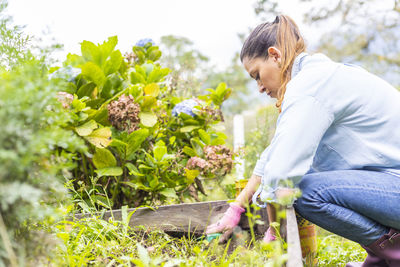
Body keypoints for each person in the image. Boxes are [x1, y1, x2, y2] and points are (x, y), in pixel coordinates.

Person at [205, 14, 400, 267]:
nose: (260, 88)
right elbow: (274, 154)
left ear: (275, 55)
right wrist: (236, 209)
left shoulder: (309, 86)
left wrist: (274, 231)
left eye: (256, 75)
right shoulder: (315, 78)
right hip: (391, 183)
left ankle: (393, 253)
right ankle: (381, 257)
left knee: (304, 192)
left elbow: (281, 174)